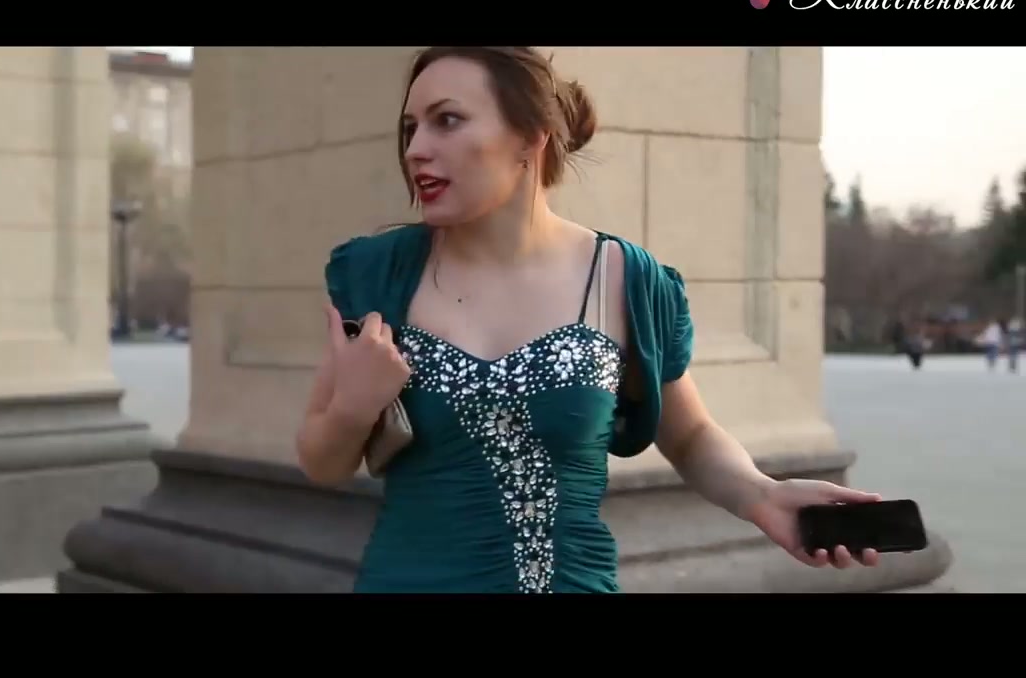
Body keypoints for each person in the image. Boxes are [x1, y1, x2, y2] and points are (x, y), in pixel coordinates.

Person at [294, 46, 883, 593]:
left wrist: (762, 494)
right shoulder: (378, 275)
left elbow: (690, 435)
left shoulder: (625, 280)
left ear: (530, 136)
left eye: (446, 120)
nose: (416, 148)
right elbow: (322, 461)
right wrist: (353, 406)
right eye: (410, 128)